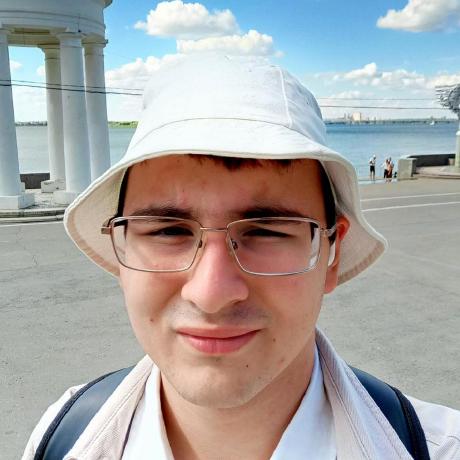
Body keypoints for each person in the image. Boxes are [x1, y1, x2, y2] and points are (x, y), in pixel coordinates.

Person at [22, 55, 459, 460]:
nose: (211, 294)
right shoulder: (61, 435)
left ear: (332, 253)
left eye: (267, 231)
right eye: (167, 231)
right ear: (122, 256)